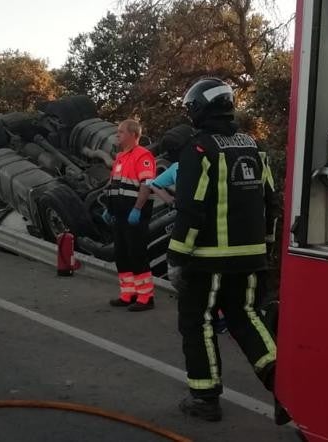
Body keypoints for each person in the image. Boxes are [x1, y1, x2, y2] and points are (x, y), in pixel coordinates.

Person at [168, 78, 287, 423]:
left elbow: (190, 209)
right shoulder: (253, 146)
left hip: (206, 262)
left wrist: (176, 258)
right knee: (248, 320)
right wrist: (265, 249)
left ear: (201, 109)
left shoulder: (199, 149)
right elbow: (271, 202)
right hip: (251, 259)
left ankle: (205, 399)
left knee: (198, 324)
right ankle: (288, 390)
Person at [104, 119, 157, 311]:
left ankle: (145, 297)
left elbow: (146, 184)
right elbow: (115, 186)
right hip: (119, 214)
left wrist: (137, 209)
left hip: (134, 215)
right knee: (122, 255)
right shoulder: (120, 157)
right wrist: (108, 209)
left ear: (133, 135)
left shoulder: (143, 155)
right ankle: (128, 294)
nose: (117, 135)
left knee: (137, 255)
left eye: (121, 132)